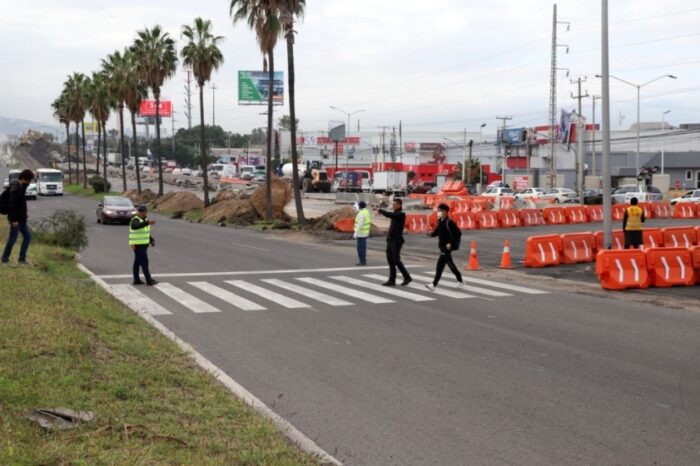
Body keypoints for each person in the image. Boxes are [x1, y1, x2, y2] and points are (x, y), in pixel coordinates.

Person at [425, 204, 465, 291]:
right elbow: (437, 232)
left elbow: (458, 233)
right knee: (449, 265)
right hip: (442, 246)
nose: (438, 212)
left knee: (441, 266)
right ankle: (460, 280)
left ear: (445, 212)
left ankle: (434, 284)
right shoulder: (439, 221)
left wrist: (450, 243)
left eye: (440, 210)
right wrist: (430, 234)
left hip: (447, 248)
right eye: (438, 210)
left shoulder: (449, 222)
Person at [2, 169, 35, 265]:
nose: (29, 182)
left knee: (27, 237)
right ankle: (4, 259)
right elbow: (12, 206)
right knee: (12, 239)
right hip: (16, 219)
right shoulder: (16, 188)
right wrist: (14, 220)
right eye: (29, 180)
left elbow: (21, 204)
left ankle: (21, 259)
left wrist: (24, 213)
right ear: (24, 178)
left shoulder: (21, 186)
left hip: (21, 218)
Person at [376, 198, 412, 286]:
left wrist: (381, 210)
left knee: (396, 260)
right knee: (390, 260)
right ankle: (392, 280)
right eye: (393, 204)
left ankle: (407, 277)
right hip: (390, 240)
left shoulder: (401, 214)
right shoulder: (395, 214)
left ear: (399, 205)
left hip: (396, 241)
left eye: (394, 204)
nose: (393, 206)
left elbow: (390, 215)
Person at [130, 204, 158, 285]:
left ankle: (136, 279)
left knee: (137, 262)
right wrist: (147, 222)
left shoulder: (144, 219)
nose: (142, 213)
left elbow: (144, 232)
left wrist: (151, 240)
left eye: (144, 212)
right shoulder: (135, 219)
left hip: (143, 244)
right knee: (144, 262)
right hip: (137, 244)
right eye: (141, 212)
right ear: (138, 212)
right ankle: (149, 280)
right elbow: (135, 226)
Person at [353, 201, 371, 266]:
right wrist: (357, 207)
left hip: (361, 233)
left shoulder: (361, 213)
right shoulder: (366, 212)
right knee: (362, 247)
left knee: (360, 248)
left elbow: (360, 223)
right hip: (365, 232)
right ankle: (363, 260)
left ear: (360, 206)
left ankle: (362, 261)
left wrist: (356, 232)